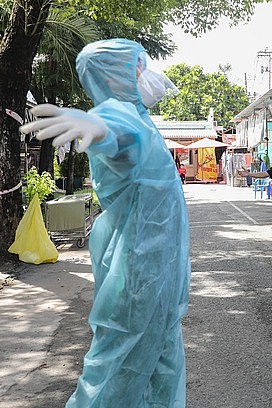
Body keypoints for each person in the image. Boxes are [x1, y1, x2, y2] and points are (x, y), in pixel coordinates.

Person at [20, 39, 191, 407]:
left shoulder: (144, 122)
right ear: (116, 78)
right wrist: (95, 125)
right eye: (139, 68)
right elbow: (117, 137)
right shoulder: (122, 117)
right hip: (137, 278)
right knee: (115, 373)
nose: (148, 74)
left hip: (160, 278)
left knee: (163, 365)